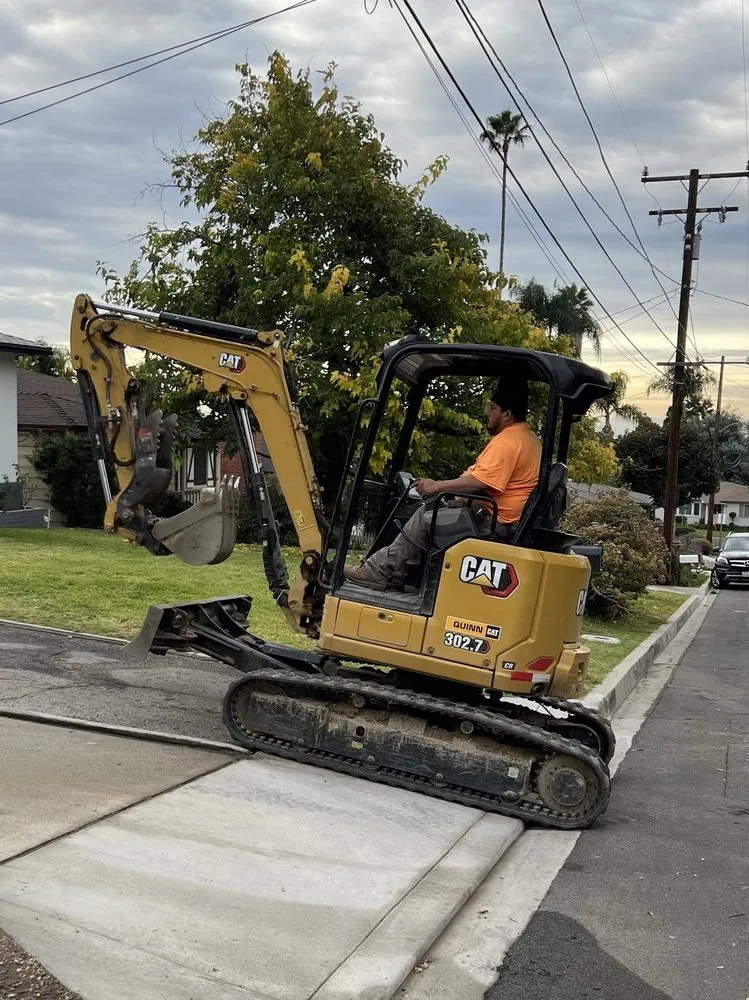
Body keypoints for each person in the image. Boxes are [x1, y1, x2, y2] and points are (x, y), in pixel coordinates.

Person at [344, 381, 542, 591]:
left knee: (426, 514)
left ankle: (378, 571)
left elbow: (479, 481)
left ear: (507, 414)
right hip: (498, 516)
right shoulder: (528, 439)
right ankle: (398, 573)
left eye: (492, 408)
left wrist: (437, 486)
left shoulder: (508, 442)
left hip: (494, 521)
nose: (487, 413)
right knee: (434, 510)